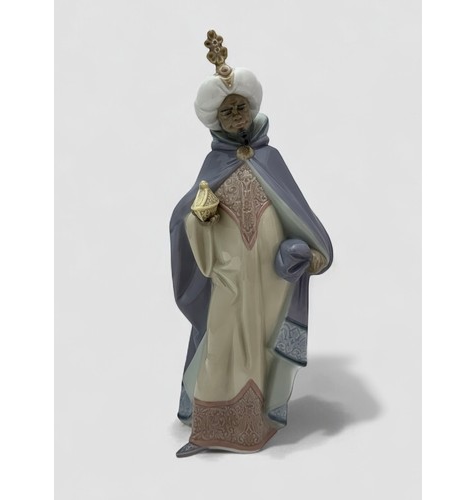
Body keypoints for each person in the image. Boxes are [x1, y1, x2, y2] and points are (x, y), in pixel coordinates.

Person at [170, 30, 333, 457]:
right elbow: (191, 216)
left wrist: (311, 252)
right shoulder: (214, 165)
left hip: (270, 279)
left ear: (252, 108)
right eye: (227, 111)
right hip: (229, 275)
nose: (237, 116)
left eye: (241, 107)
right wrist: (200, 214)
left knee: (261, 347)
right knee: (221, 345)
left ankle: (254, 424)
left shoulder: (271, 159)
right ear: (216, 120)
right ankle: (209, 429)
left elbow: (295, 211)